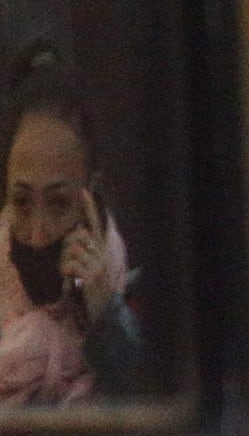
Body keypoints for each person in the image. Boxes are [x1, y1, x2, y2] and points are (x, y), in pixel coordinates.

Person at [2, 50, 144, 406]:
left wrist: (102, 311)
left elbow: (143, 405)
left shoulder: (124, 286)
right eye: (21, 202)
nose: (37, 234)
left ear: (89, 196)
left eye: (59, 203)